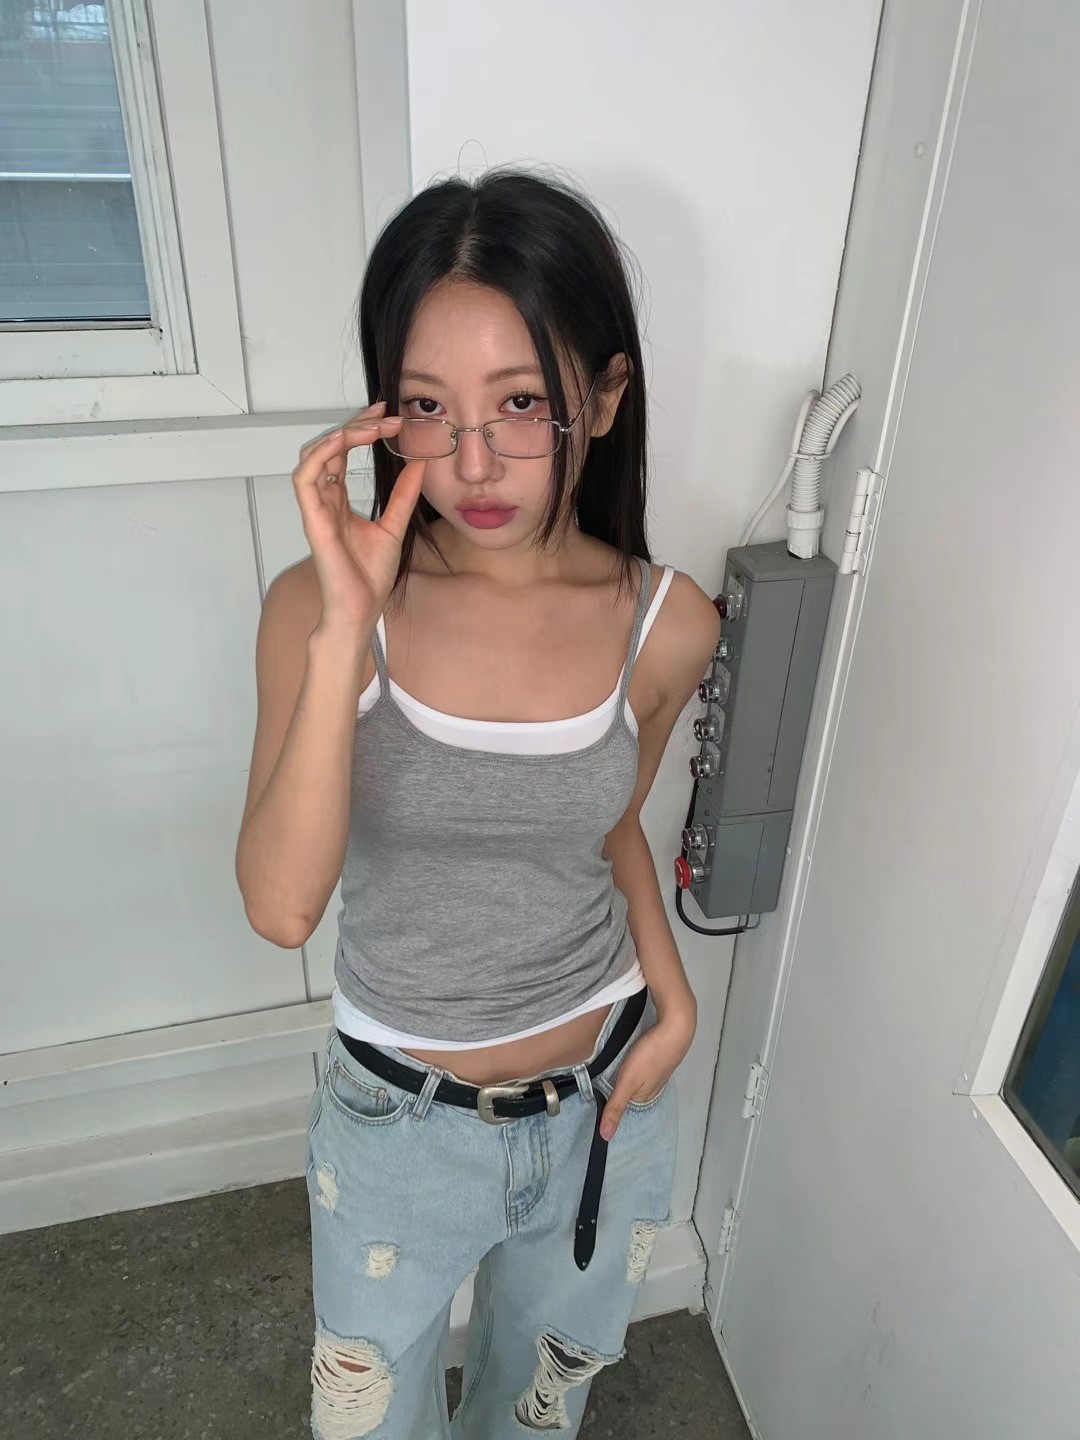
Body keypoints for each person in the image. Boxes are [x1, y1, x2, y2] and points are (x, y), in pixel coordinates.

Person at [236, 168, 720, 1440]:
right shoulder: (318, 609)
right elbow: (283, 909)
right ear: (382, 416)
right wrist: (345, 631)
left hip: (606, 1095)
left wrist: (675, 1002)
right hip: (399, 1122)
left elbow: (608, 830)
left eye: (520, 402)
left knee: (536, 1411)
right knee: (371, 1421)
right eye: (427, 408)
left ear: (602, 397)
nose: (472, 461)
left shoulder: (668, 625)